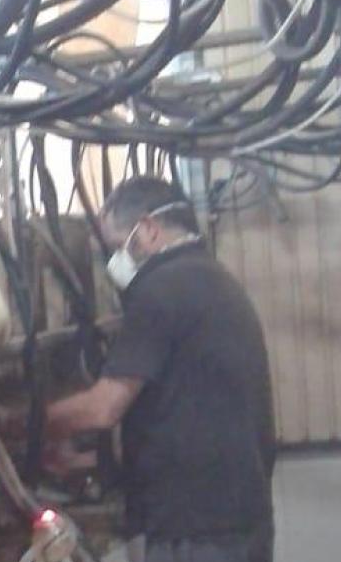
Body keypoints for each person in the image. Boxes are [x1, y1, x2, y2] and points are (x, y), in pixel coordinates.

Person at [43, 176, 276, 562]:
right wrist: (85, 462)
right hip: (238, 519)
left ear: (148, 229)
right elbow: (185, 417)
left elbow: (104, 407)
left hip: (193, 533)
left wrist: (31, 425)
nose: (116, 261)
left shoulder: (161, 290)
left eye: (117, 246)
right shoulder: (213, 279)